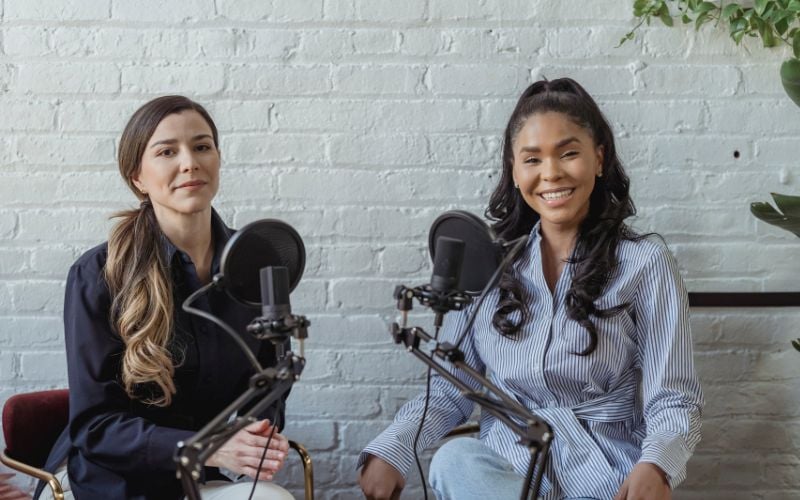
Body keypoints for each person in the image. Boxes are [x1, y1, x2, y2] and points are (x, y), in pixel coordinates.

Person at [358, 78, 704, 500]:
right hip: (508, 475)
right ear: (514, 169)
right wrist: (392, 451)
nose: (551, 173)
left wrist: (657, 465)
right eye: (533, 159)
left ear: (598, 159)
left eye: (569, 153)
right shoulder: (486, 268)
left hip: (608, 477)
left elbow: (673, 396)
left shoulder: (645, 262)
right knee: (455, 460)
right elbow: (449, 390)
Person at [37, 96, 295, 500]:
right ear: (137, 176)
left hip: (200, 480)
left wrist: (254, 436)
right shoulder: (98, 274)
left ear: (218, 159)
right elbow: (94, 427)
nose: (189, 162)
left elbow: (269, 384)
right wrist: (210, 446)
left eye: (202, 146)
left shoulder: (256, 265)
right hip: (108, 484)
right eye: (167, 152)